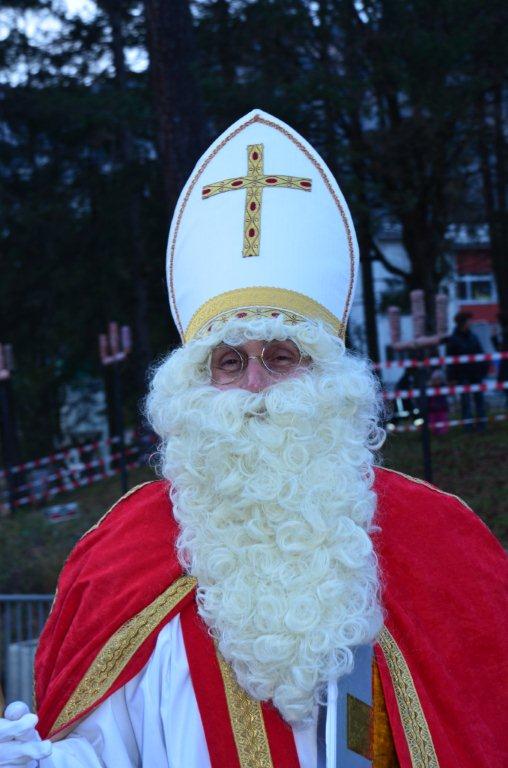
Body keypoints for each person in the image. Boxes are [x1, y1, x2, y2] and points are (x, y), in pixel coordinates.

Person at [1, 110, 506, 768]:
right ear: (194, 386)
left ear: (328, 377)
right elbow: (103, 750)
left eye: (282, 357)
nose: (256, 385)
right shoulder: (122, 554)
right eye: (230, 362)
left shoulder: (438, 538)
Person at [446, 311, 489, 431]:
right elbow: (450, 361)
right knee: (466, 402)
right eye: (469, 320)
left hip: (476, 375)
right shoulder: (453, 339)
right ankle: (468, 426)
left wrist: (483, 370)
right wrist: (451, 378)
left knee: (479, 400)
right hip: (462, 376)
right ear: (463, 322)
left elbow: (481, 354)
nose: (471, 322)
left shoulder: (473, 337)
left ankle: (482, 425)